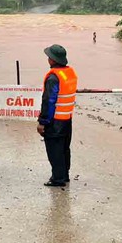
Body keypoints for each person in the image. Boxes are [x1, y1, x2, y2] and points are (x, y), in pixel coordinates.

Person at [38, 44, 78, 187]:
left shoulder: (53, 78)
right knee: (64, 149)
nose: (48, 59)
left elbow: (49, 101)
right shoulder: (70, 73)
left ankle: (58, 179)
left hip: (55, 121)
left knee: (55, 151)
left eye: (49, 57)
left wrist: (42, 122)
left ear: (52, 60)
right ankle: (64, 175)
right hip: (67, 119)